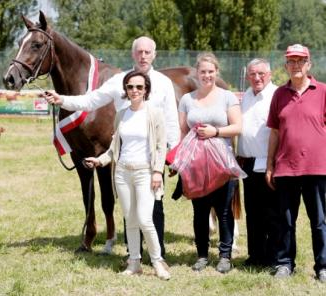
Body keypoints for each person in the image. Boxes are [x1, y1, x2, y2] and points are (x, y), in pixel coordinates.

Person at [44, 36, 180, 256]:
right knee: (130, 209)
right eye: (139, 52)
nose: (143, 56)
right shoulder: (119, 81)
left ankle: (158, 255)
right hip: (125, 157)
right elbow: (91, 100)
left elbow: (172, 120)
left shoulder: (164, 82)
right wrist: (62, 100)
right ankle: (133, 255)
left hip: (152, 158)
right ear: (133, 54)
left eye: (147, 52)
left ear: (154, 54)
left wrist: (172, 154)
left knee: (154, 208)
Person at [83, 70, 170, 280]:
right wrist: (100, 160)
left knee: (144, 220)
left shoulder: (155, 113)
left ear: (146, 89)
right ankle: (134, 263)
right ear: (125, 89)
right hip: (122, 173)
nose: (134, 90)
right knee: (130, 221)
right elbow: (114, 148)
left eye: (139, 87)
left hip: (145, 173)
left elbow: (160, 146)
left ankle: (158, 261)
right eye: (130, 87)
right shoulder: (122, 114)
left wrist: (158, 171)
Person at [266, 44, 326, 281]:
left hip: (317, 167)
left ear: (309, 64)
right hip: (286, 168)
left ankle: (322, 266)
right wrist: (270, 164)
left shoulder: (322, 91)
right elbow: (274, 132)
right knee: (286, 220)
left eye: (301, 61)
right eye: (291, 61)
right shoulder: (279, 94)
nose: (296, 65)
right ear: (286, 66)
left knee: (320, 221)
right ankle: (284, 263)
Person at [178, 52, 242, 273]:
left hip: (222, 163)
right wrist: (177, 160)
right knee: (200, 211)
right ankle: (202, 255)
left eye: (210, 71)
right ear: (197, 73)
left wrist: (216, 131)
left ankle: (225, 255)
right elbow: (181, 131)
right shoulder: (187, 100)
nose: (207, 75)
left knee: (224, 211)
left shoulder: (227, 97)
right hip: (196, 165)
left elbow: (237, 127)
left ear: (217, 72)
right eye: (203, 71)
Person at [237, 58, 279, 266]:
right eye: (252, 74)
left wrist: (273, 163)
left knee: (271, 212)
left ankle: (274, 257)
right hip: (248, 163)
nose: (256, 78)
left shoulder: (276, 95)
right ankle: (255, 256)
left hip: (269, 162)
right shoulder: (246, 97)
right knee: (253, 213)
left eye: (261, 73)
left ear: (269, 74)